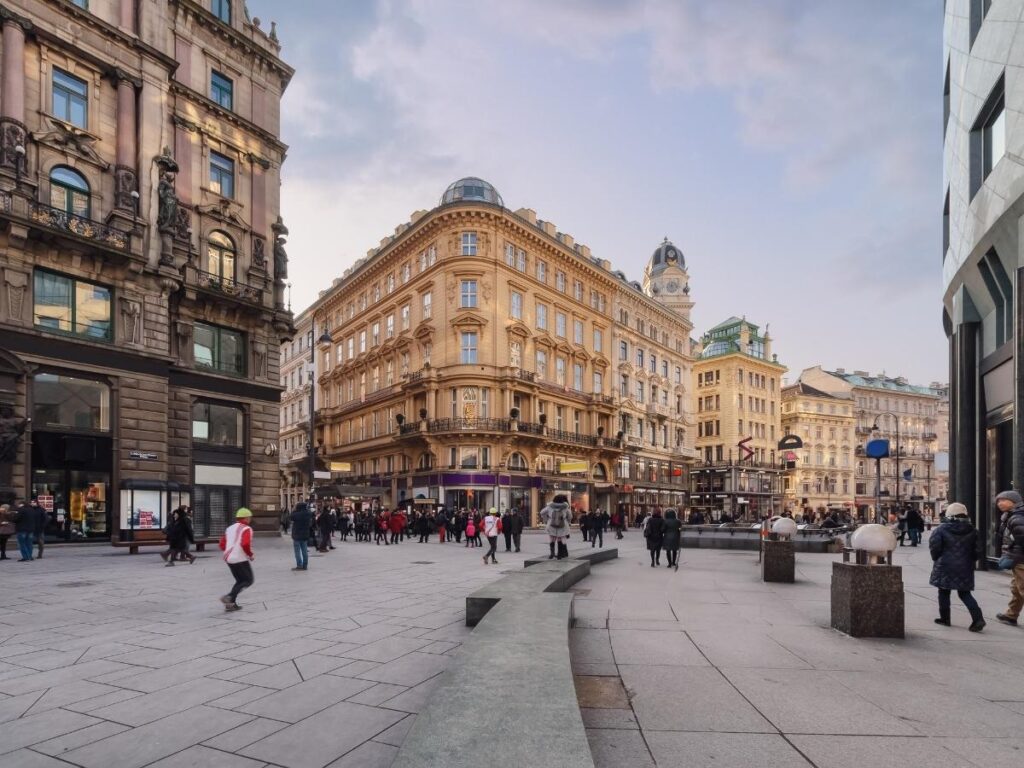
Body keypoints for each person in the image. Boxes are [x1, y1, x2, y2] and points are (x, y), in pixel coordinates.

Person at [929, 502, 985, 631]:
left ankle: (945, 618)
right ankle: (978, 619)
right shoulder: (973, 530)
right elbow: (978, 550)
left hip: (945, 565)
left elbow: (935, 547)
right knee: (965, 593)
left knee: (943, 591)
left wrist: (936, 559)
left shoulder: (941, 529)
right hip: (965, 565)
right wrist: (971, 560)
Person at [995, 490, 1024, 626]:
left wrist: (1013, 552)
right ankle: (1011, 615)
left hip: (1021, 560)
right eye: (998, 501)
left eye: (1003, 500)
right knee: (1016, 589)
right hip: (1017, 558)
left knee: (1021, 588)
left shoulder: (1017, 518)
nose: (1000, 503)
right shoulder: (1011, 515)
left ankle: (1011, 615)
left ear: (1014, 501)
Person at [218, 508, 255, 612]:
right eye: (250, 517)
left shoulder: (229, 528)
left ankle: (230, 604)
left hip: (228, 558)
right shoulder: (246, 529)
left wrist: (229, 552)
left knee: (239, 580)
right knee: (248, 580)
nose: (250, 519)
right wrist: (250, 555)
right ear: (247, 518)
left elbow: (221, 544)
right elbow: (245, 544)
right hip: (240, 558)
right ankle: (229, 596)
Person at [540, 494, 571, 559]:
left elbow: (542, 512)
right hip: (562, 525)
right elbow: (570, 516)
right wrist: (567, 521)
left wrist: (546, 520)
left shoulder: (550, 506)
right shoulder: (565, 507)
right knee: (560, 539)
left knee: (552, 540)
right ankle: (559, 555)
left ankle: (552, 554)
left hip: (551, 525)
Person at [290, 501, 312, 571]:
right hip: (305, 535)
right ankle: (305, 565)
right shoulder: (308, 514)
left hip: (297, 535)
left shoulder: (296, 514)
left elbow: (290, 517)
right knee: (304, 550)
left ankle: (299, 565)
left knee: (297, 551)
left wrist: (294, 509)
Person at [13, 497, 35, 562]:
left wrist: (13, 515)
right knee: (29, 544)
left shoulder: (21, 510)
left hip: (22, 529)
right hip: (30, 529)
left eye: (18, 504)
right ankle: (30, 556)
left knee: (22, 544)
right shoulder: (31, 510)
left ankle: (26, 557)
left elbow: (15, 519)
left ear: (21, 504)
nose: (18, 505)